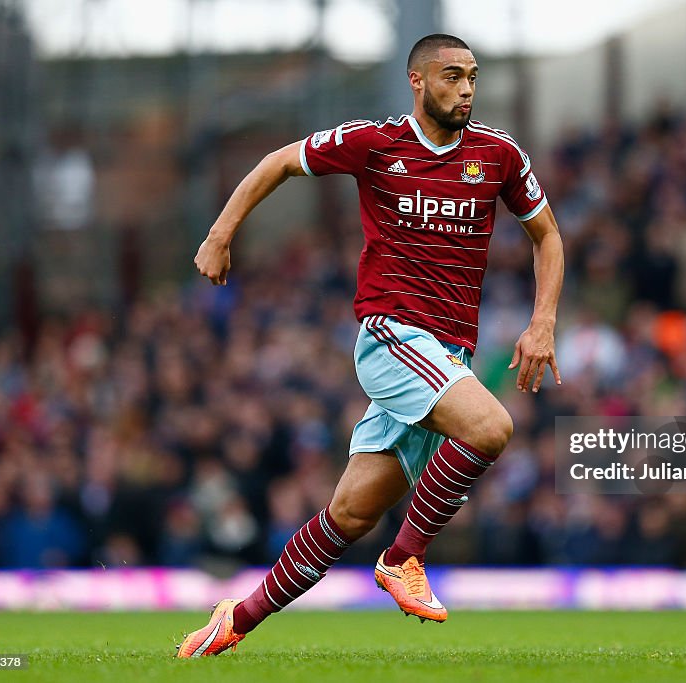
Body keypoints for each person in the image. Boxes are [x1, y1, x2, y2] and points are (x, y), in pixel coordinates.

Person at [177, 33, 563, 658]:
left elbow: (548, 237)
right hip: (391, 334)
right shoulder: (376, 143)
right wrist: (221, 235)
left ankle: (235, 619)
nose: (465, 89)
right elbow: (277, 161)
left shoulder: (498, 154)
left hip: (447, 357)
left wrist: (542, 321)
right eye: (450, 77)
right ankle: (405, 558)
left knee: (350, 517)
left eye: (471, 77)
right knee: (491, 428)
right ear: (417, 82)